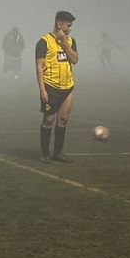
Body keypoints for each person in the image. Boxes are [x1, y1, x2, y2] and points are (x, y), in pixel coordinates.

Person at [35, 11, 78, 164]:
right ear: (59, 24)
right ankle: (45, 154)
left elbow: (75, 59)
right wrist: (42, 89)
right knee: (49, 120)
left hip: (67, 87)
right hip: (51, 87)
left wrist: (65, 43)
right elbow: (39, 67)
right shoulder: (44, 42)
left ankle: (58, 152)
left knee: (63, 120)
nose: (70, 29)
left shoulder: (71, 41)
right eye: (68, 25)